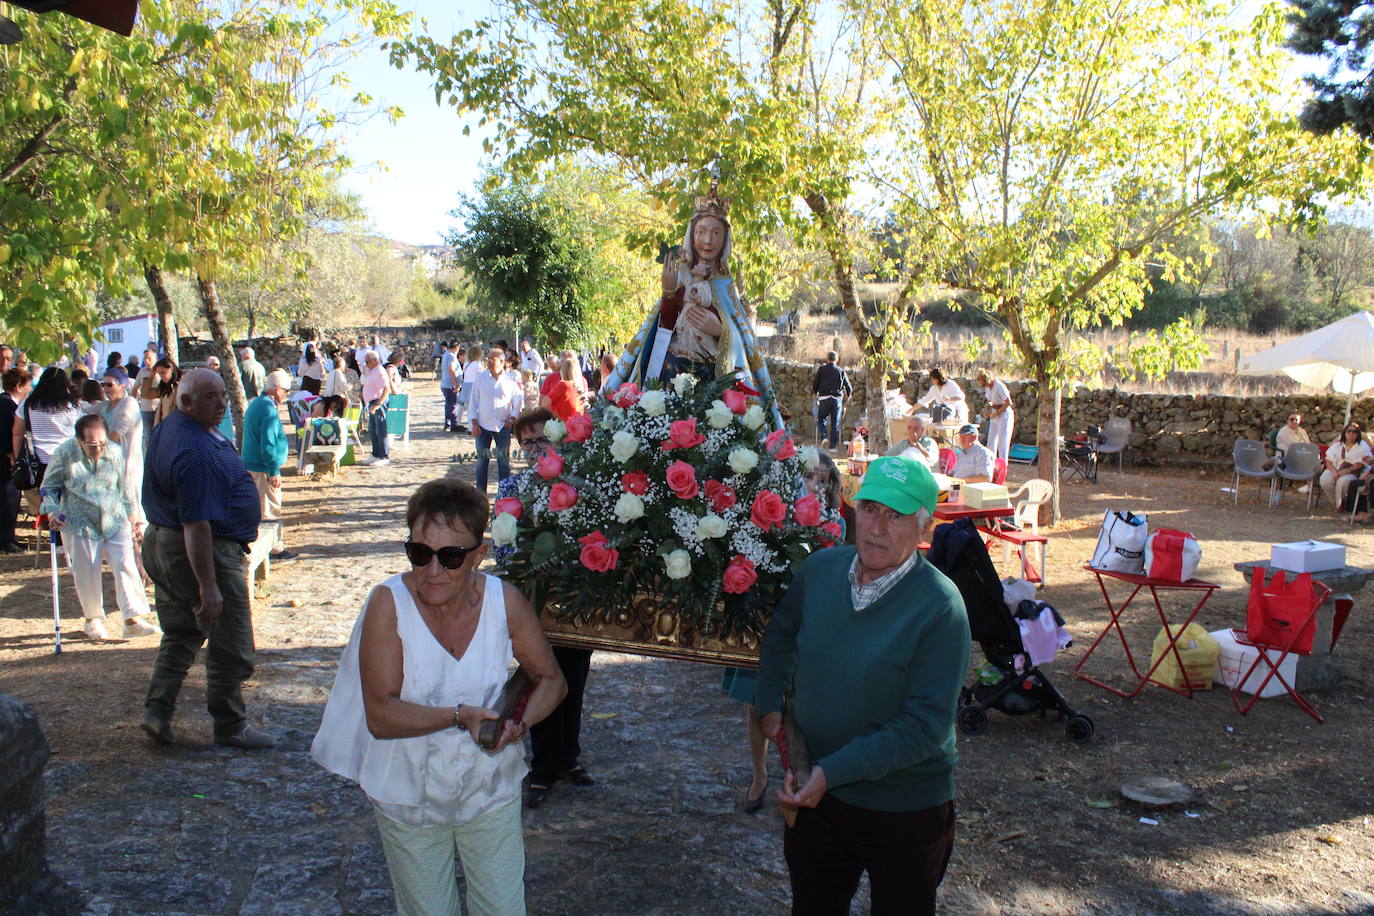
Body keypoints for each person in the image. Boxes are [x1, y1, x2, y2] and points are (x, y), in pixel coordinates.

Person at [311, 477, 567, 916]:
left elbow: (551, 680)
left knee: (503, 909)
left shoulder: (503, 602)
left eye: (450, 557)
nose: (433, 571)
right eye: (419, 553)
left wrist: (518, 725)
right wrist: (458, 716)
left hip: (488, 786)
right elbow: (381, 715)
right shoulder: (387, 605)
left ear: (479, 555)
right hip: (407, 790)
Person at [754, 455, 969, 916]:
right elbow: (782, 632)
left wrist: (830, 773)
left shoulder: (940, 608)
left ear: (923, 528)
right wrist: (769, 700)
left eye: (896, 516)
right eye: (870, 508)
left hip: (905, 808)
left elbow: (923, 727)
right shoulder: (821, 571)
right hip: (818, 799)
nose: (877, 527)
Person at [140, 368, 272, 749]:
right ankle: (231, 726)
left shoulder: (175, 426)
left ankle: (157, 712)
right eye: (210, 397)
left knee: (182, 631)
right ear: (185, 402)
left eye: (222, 396)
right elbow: (196, 526)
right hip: (202, 551)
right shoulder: (192, 451)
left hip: (164, 543)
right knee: (229, 639)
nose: (221, 403)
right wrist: (209, 587)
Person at [602, 186, 782, 426]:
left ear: (725, 237)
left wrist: (722, 330)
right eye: (701, 232)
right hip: (675, 367)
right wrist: (668, 291)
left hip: (713, 376)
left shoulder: (726, 284)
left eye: (716, 233)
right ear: (692, 234)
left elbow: (743, 339)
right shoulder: (680, 276)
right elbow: (664, 327)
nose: (708, 240)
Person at [492, 409, 599, 812]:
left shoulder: (577, 484)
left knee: (574, 679)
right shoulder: (511, 485)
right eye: (528, 443)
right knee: (540, 677)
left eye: (542, 439)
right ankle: (542, 767)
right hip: (532, 603)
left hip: (573, 598)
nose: (536, 448)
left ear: (558, 442)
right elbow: (502, 544)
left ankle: (568, 757)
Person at [40, 414, 158, 640]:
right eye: (92, 445)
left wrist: (133, 517)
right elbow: (49, 487)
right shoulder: (65, 454)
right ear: (79, 440)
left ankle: (132, 619)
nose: (99, 449)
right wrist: (53, 511)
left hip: (114, 518)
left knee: (126, 567)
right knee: (87, 571)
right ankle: (92, 619)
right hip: (79, 521)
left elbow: (125, 488)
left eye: (102, 443)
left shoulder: (114, 451)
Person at [242, 369, 297, 561]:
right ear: (277, 389)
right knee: (269, 509)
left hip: (255, 465)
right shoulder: (266, 409)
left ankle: (271, 547)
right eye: (287, 390)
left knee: (262, 508)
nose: (287, 394)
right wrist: (273, 470)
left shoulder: (258, 404)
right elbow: (268, 444)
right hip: (262, 468)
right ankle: (274, 549)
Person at [468, 347, 523, 493]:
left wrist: (512, 417)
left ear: (502, 361)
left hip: (503, 426)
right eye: (488, 358)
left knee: (503, 463)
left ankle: (504, 493)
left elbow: (518, 398)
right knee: (481, 462)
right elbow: (473, 401)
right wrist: (473, 423)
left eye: (493, 358)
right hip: (482, 426)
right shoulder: (480, 378)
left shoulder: (510, 379)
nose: (489, 361)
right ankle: (480, 494)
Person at [98, 369, 145, 538]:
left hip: (126, 459)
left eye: (110, 384)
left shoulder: (129, 403)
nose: (106, 388)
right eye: (103, 385)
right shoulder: (105, 406)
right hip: (107, 460)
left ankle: (137, 528)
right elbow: (88, 412)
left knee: (130, 493)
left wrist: (100, 447)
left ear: (122, 385)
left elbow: (119, 430)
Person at [21, 367, 82, 481]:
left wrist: (16, 457)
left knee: (42, 496)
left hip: (37, 460)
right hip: (66, 459)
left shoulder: (28, 404)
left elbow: (17, 433)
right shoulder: (72, 406)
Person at [0, 368, 33, 553]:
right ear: (19, 386)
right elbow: (5, 433)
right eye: (27, 386)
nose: (29, 390)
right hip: (5, 462)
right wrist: (11, 454)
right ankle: (5, 539)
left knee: (10, 501)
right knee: (7, 500)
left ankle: (8, 536)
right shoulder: (7, 406)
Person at [1319, 421, 1372, 511]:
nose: (1351, 433)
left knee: (1342, 482)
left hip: (1353, 471)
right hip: (1335, 468)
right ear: (1344, 433)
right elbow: (1328, 460)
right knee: (1325, 480)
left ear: (1358, 434)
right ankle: (1337, 503)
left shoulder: (1362, 446)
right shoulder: (1337, 445)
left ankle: (1341, 503)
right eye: (1349, 431)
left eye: (1354, 431)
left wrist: (1346, 471)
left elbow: (1361, 464)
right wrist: (1333, 471)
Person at [813, 351, 852, 449]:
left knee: (821, 419)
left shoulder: (822, 369)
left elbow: (815, 383)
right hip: (836, 400)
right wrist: (849, 396)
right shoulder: (841, 370)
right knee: (835, 423)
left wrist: (815, 393)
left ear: (827, 359)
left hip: (824, 399)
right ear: (837, 360)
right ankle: (833, 447)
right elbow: (849, 387)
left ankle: (824, 437)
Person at [360, 351, 392, 468]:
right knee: (373, 430)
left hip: (378, 402)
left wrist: (378, 404)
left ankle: (384, 456)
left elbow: (386, 389)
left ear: (374, 360)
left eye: (367, 362)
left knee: (380, 430)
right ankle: (375, 454)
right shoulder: (373, 371)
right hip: (371, 402)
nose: (366, 364)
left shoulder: (379, 371)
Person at [976, 368, 1014, 463]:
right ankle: (990, 465)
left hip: (1004, 415)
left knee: (1002, 444)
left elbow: (1008, 402)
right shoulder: (988, 388)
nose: (985, 386)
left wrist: (997, 412)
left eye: (984, 384)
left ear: (987, 380)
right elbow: (990, 401)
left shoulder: (999, 386)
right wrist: (988, 411)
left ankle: (1002, 467)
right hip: (994, 414)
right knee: (991, 442)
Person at [139, 357, 182, 429]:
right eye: (159, 374)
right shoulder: (164, 388)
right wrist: (151, 376)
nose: (162, 376)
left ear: (171, 369)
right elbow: (145, 394)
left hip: (176, 426)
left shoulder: (181, 385)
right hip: (164, 426)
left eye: (163, 372)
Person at [456, 344, 484, 433]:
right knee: (473, 408)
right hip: (473, 385)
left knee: (465, 406)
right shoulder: (477, 364)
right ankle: (471, 427)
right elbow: (482, 375)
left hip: (465, 385)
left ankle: (459, 422)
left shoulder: (466, 364)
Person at [439, 340, 461, 431]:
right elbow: (451, 369)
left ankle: (448, 422)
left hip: (445, 383)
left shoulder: (446, 355)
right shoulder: (451, 356)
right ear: (457, 347)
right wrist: (456, 383)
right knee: (453, 404)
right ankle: (453, 424)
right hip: (450, 384)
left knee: (449, 404)